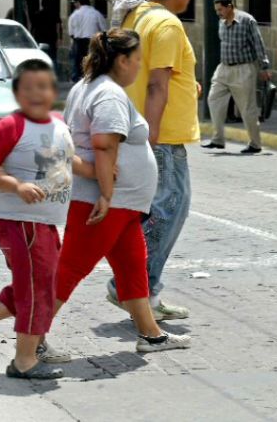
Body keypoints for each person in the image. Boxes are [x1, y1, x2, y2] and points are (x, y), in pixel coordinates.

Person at [0, 59, 95, 379]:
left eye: (43, 86)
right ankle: (24, 360)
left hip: (44, 224)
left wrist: (95, 171)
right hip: (20, 222)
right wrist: (16, 185)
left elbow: (68, 159)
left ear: (54, 90)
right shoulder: (9, 126)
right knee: (37, 289)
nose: (37, 93)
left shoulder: (58, 123)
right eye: (28, 88)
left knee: (34, 284)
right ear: (16, 93)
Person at [53, 28, 191, 352]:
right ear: (122, 59)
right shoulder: (108, 93)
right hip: (107, 203)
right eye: (137, 59)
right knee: (70, 269)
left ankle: (151, 334)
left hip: (122, 204)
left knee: (132, 264)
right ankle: (30, 340)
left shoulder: (87, 86)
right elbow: (104, 145)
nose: (140, 66)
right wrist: (106, 193)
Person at [105, 0, 198, 321]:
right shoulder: (167, 24)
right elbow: (157, 84)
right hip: (159, 136)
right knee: (169, 208)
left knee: (158, 209)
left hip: (140, 128)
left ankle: (142, 291)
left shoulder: (138, 17)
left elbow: (155, 78)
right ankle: (134, 287)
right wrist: (153, 137)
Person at [202, 0, 272, 153]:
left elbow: (258, 44)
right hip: (224, 68)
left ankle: (255, 144)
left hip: (243, 69)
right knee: (213, 98)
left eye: (220, 9)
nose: (218, 13)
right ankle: (218, 139)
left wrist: (264, 67)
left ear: (229, 6)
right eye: (216, 10)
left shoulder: (247, 21)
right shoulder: (221, 22)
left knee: (247, 109)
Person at [68, 0, 107, 83]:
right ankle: (92, 77)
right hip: (92, 40)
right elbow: (104, 29)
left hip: (78, 41)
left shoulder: (74, 15)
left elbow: (71, 32)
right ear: (89, 2)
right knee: (93, 60)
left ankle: (77, 79)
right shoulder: (96, 14)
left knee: (78, 61)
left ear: (80, 3)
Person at [32, 0, 63, 68]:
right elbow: (59, 26)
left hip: (40, 39)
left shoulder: (37, 14)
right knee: (53, 57)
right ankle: (53, 73)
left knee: (40, 57)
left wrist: (33, 38)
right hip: (52, 39)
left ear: (41, 4)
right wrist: (60, 38)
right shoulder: (54, 14)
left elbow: (33, 28)